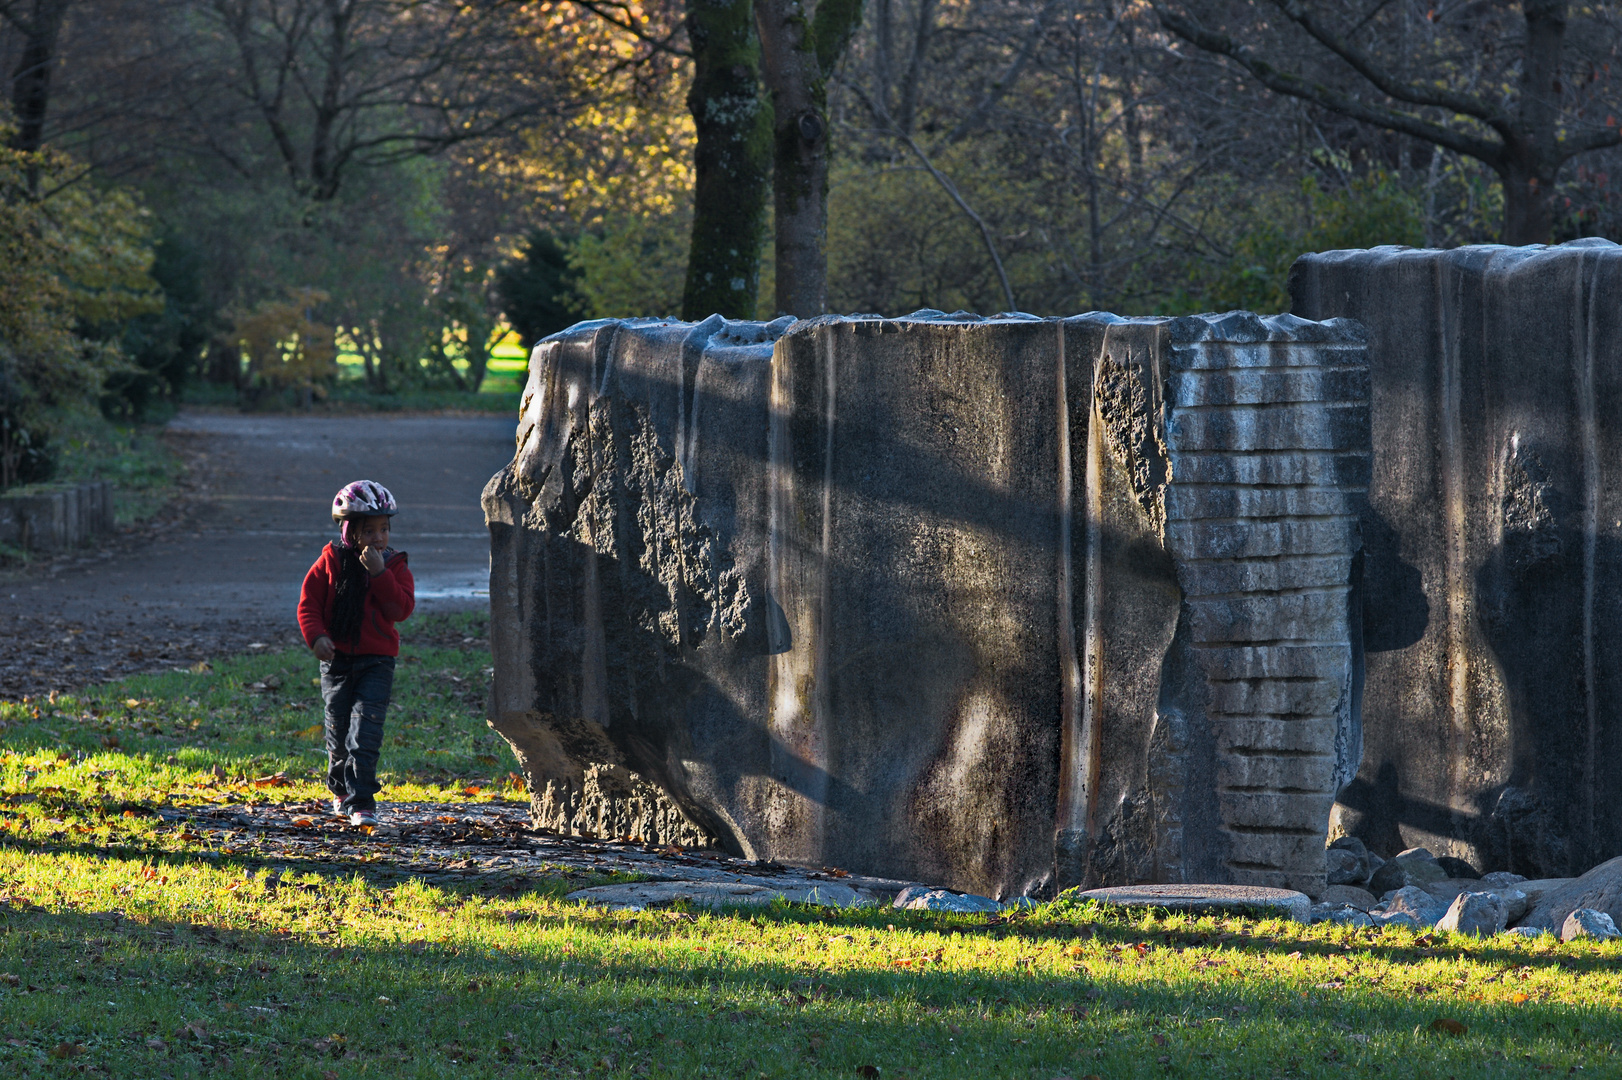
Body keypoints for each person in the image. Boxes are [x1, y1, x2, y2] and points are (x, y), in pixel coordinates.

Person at [297, 480, 415, 827]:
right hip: (337, 662)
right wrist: (316, 637)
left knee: (366, 732)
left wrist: (378, 574)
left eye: (384, 529)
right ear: (349, 532)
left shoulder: (394, 566)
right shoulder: (329, 562)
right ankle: (340, 790)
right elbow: (309, 605)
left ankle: (362, 801)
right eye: (369, 530)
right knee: (338, 732)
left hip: (377, 661)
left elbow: (400, 609)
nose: (378, 538)